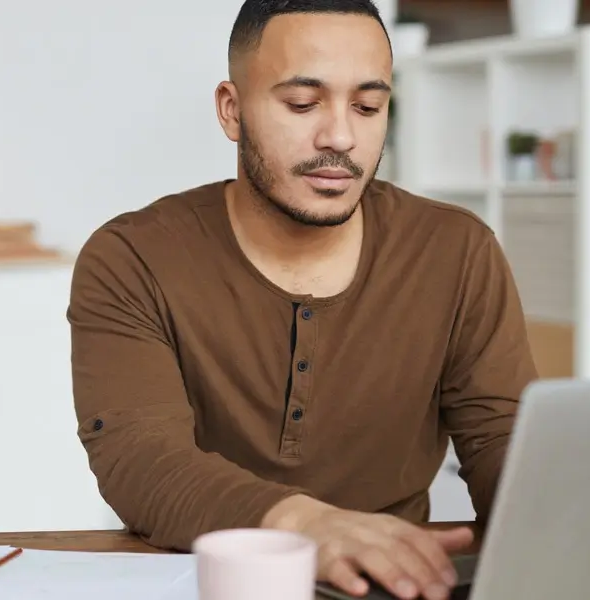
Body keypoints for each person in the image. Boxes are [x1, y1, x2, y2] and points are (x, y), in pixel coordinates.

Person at [66, 1, 538, 598]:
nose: (340, 136)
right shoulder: (132, 257)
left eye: (368, 106)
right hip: (203, 577)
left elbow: (504, 441)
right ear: (231, 110)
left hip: (394, 583)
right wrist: (306, 525)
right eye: (302, 103)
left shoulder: (457, 250)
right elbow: (139, 458)